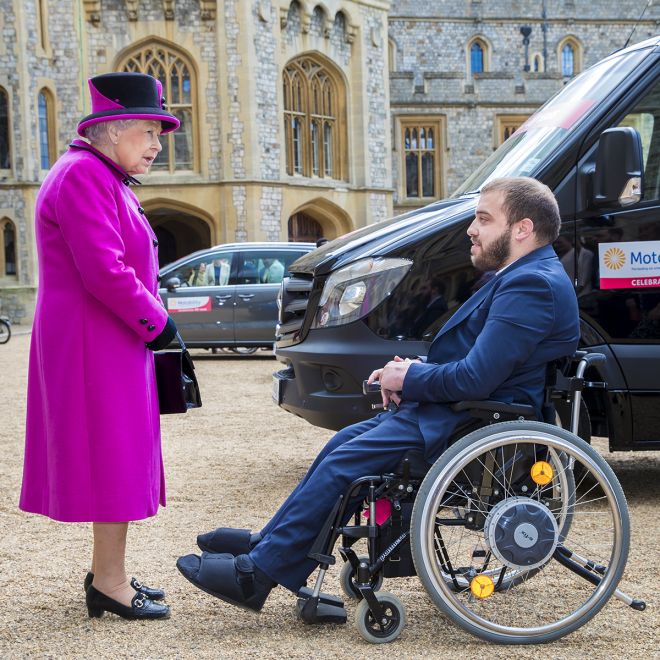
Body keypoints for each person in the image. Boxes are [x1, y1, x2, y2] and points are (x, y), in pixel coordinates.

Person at [176, 176, 581, 614]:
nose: (471, 228)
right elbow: (480, 366)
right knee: (340, 445)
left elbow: (476, 378)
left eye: (483, 219)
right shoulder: (522, 276)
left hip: (474, 421)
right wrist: (409, 372)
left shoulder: (531, 285)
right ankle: (273, 541)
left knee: (346, 462)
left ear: (521, 228)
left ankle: (259, 574)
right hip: (461, 411)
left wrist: (408, 378)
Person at [19, 72, 181, 621]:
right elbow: (105, 271)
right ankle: (108, 584)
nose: (158, 144)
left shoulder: (98, 174)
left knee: (122, 460)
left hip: (107, 341)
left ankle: (107, 575)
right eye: (149, 132)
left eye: (161, 133)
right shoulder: (84, 176)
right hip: (96, 347)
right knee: (114, 462)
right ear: (111, 131)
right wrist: (158, 322)